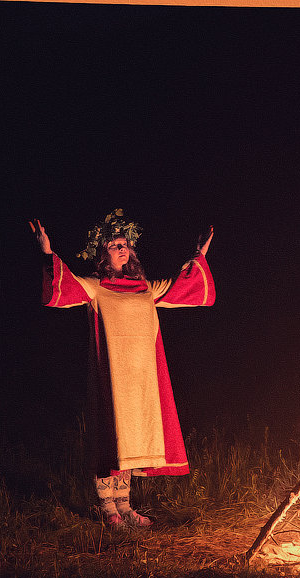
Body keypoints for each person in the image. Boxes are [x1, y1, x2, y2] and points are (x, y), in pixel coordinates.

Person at [30, 210, 215, 529]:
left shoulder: (145, 287)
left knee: (132, 438)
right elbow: (62, 289)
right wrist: (47, 251)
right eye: (114, 244)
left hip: (141, 376)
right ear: (103, 253)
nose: (122, 247)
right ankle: (108, 508)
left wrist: (200, 254)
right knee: (110, 436)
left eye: (125, 243)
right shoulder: (96, 287)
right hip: (110, 375)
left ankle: (126, 506)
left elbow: (187, 288)